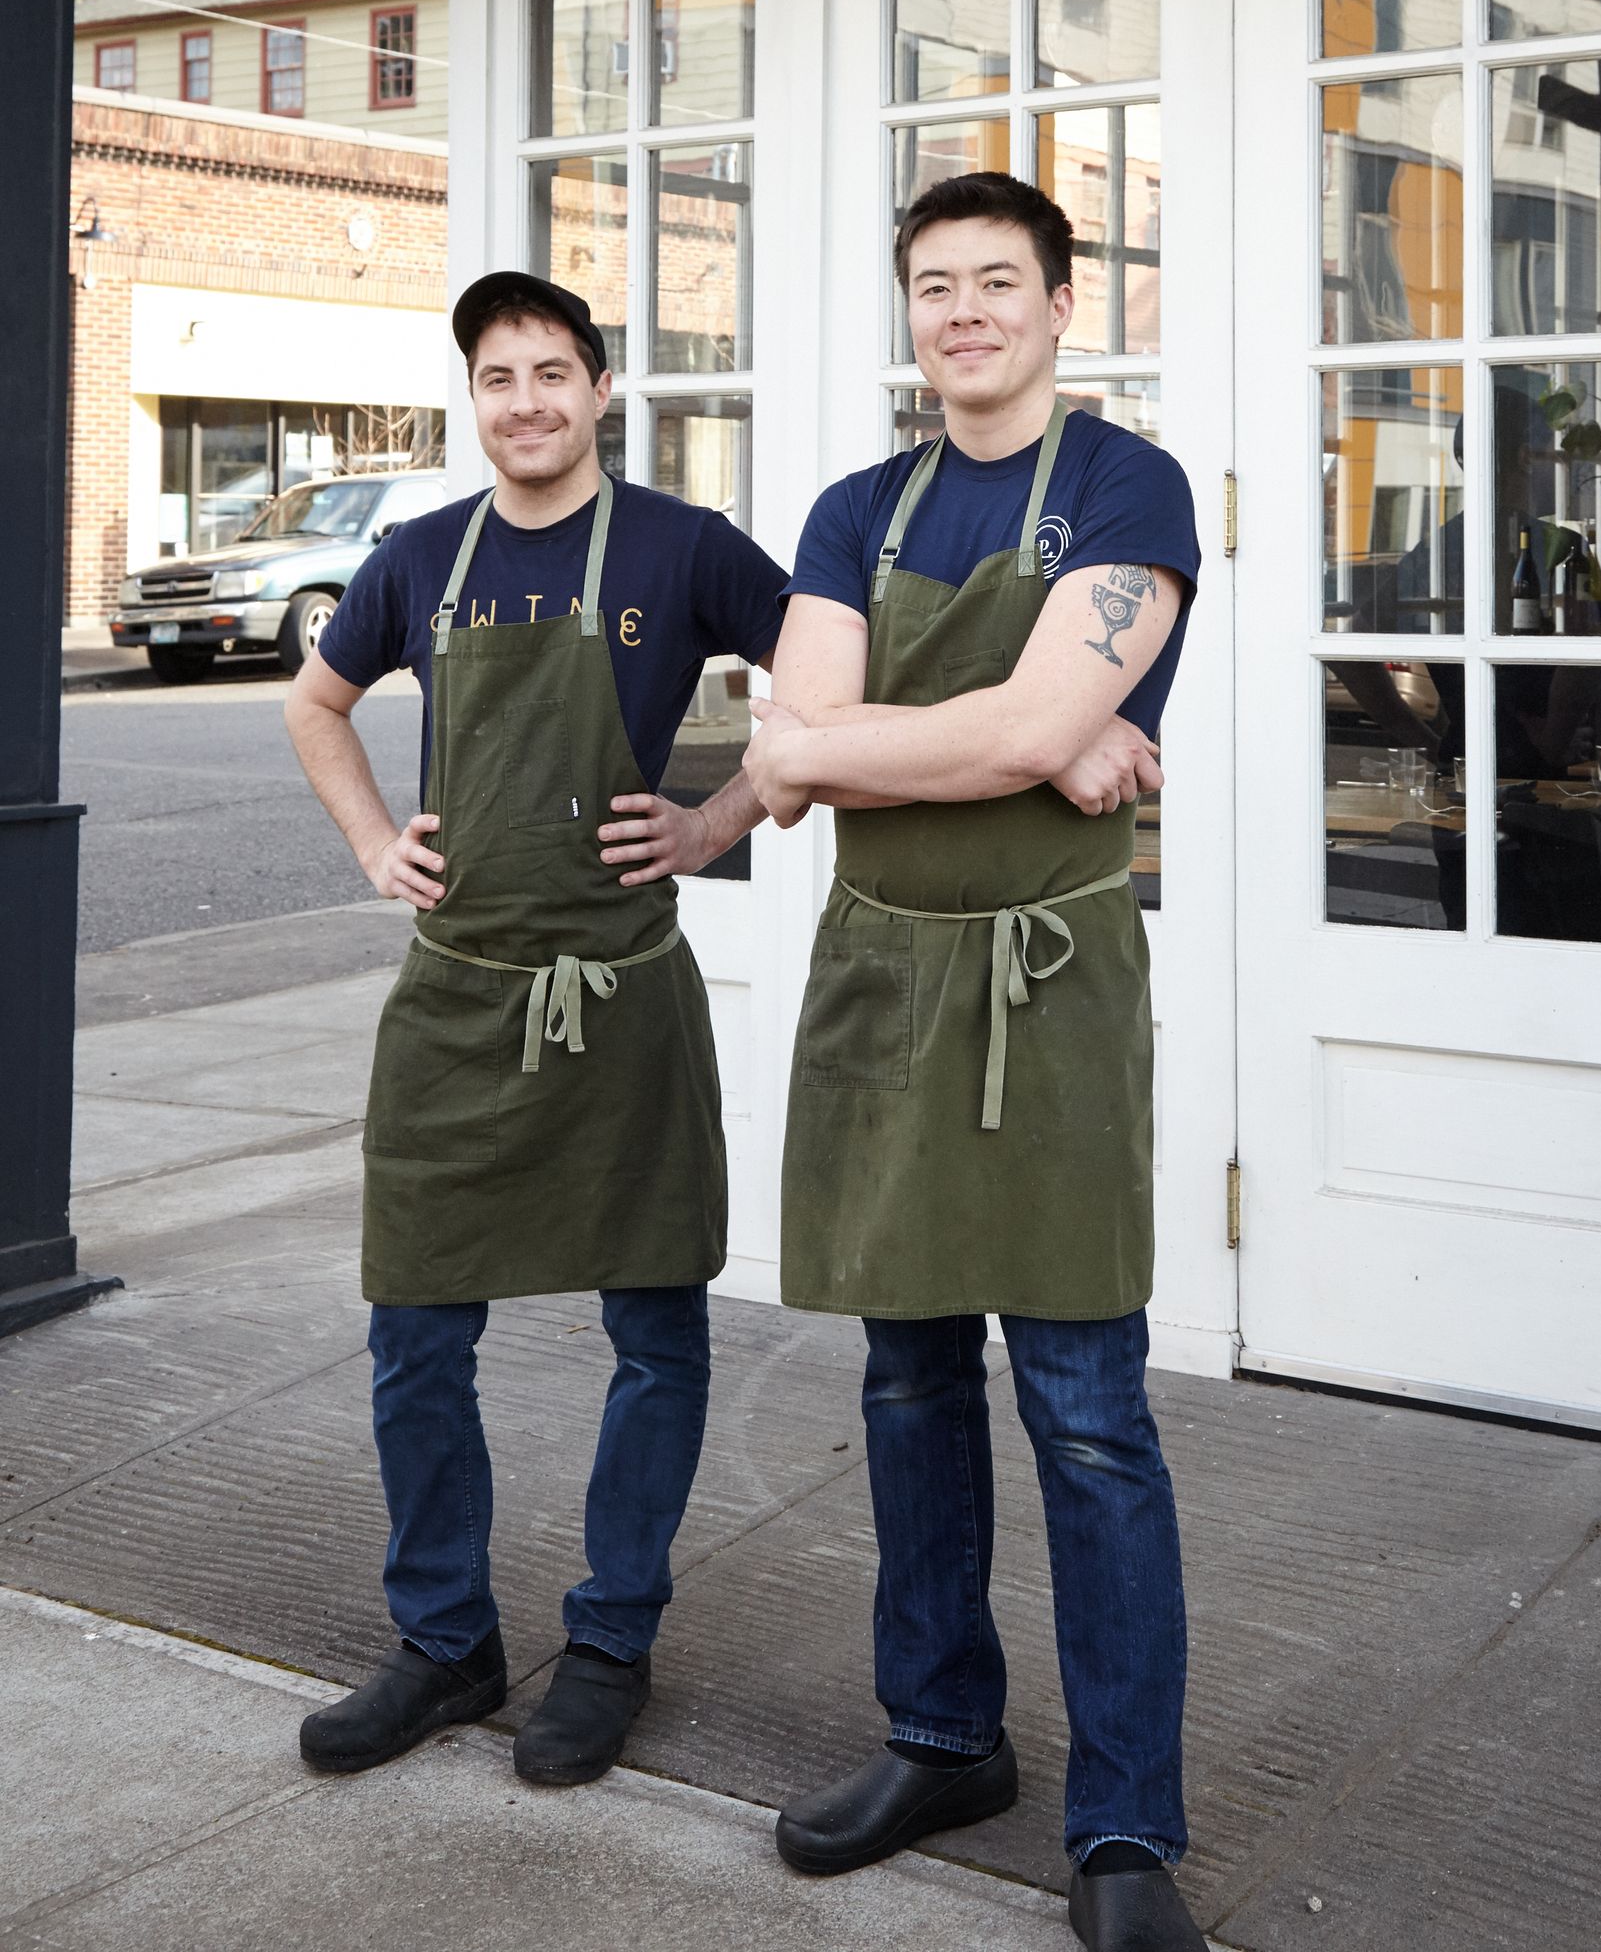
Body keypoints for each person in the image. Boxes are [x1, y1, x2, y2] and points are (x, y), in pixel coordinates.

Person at [744, 170, 1206, 1952]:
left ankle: (1126, 1829)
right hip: (881, 987)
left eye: (997, 280)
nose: (963, 311)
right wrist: (1030, 741)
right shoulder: (858, 503)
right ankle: (941, 1737)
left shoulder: (1124, 484)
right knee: (907, 1387)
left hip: (1050, 988)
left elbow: (923, 727)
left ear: (1062, 302)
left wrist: (1016, 734)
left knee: (1089, 1415)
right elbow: (782, 758)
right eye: (933, 284)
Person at [283, 272, 785, 1790]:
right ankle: (445, 1641)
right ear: (474, 399)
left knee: (657, 1334)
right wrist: (378, 844)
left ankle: (612, 1643)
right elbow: (316, 705)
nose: (527, 403)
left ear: (600, 390)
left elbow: (830, 691)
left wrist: (715, 818)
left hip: (623, 993)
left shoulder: (686, 547)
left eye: (553, 373)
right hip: (455, 1000)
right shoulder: (421, 557)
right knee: (416, 1333)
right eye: (498, 378)